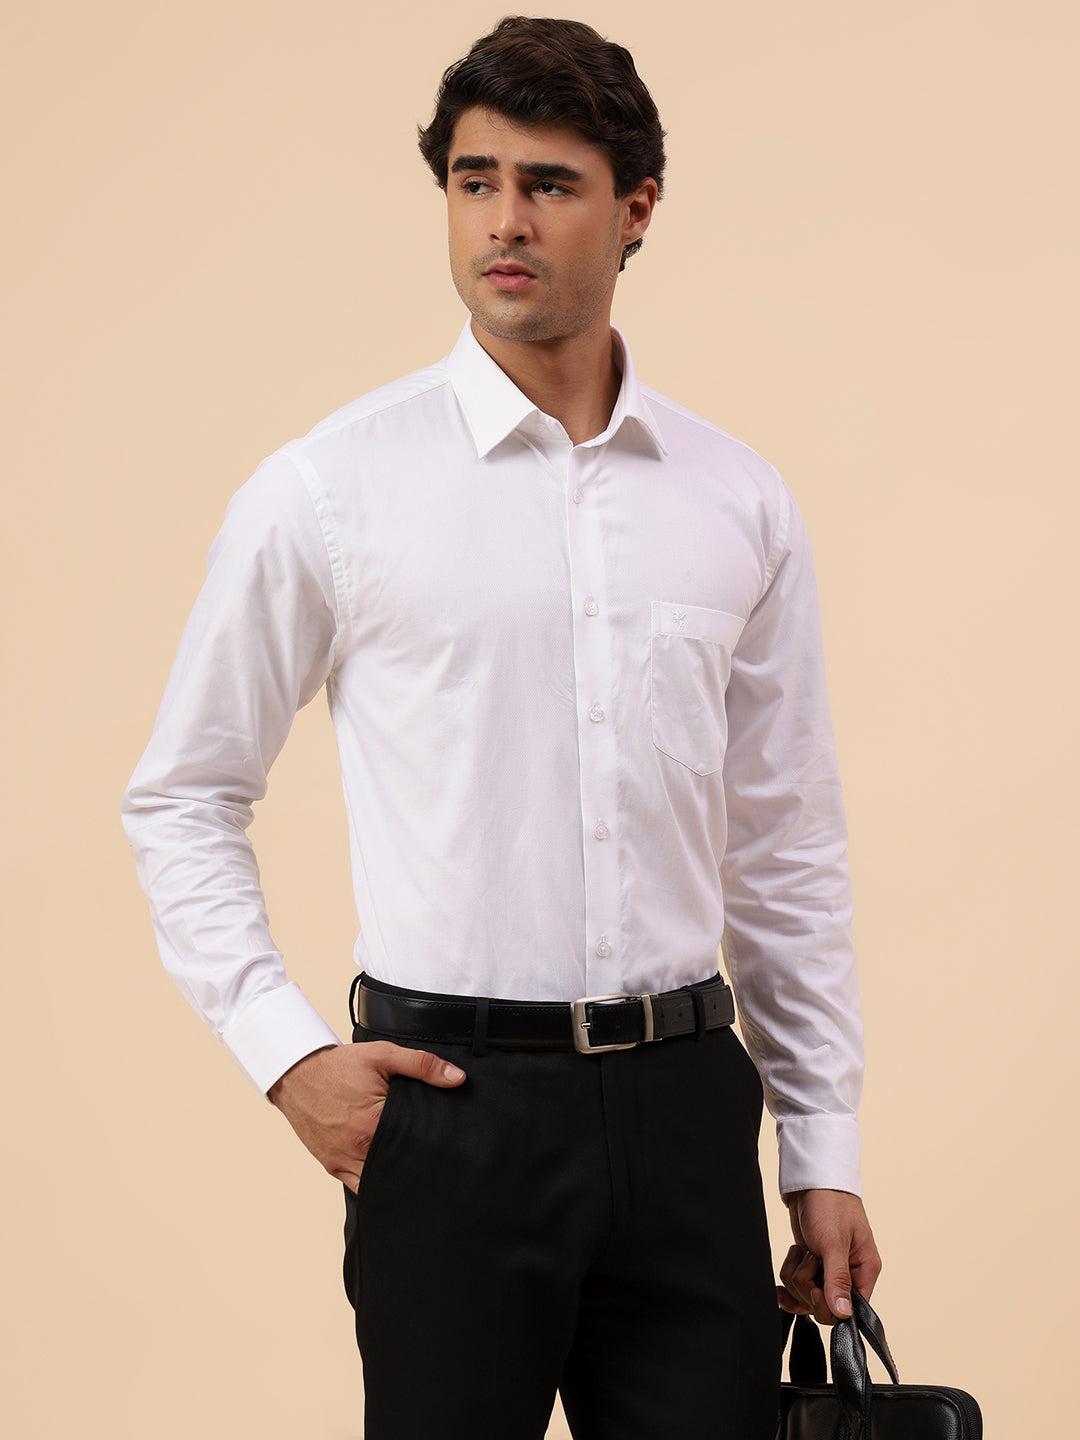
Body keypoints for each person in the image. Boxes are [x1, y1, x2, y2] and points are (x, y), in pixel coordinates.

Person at [122, 15, 881, 1439]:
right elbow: (184, 794)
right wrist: (286, 1055)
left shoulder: (738, 501)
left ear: (636, 207)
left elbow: (783, 844)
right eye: (475, 183)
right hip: (453, 1115)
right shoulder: (330, 490)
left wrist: (821, 1149)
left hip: (685, 1113)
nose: (503, 222)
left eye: (548, 184)